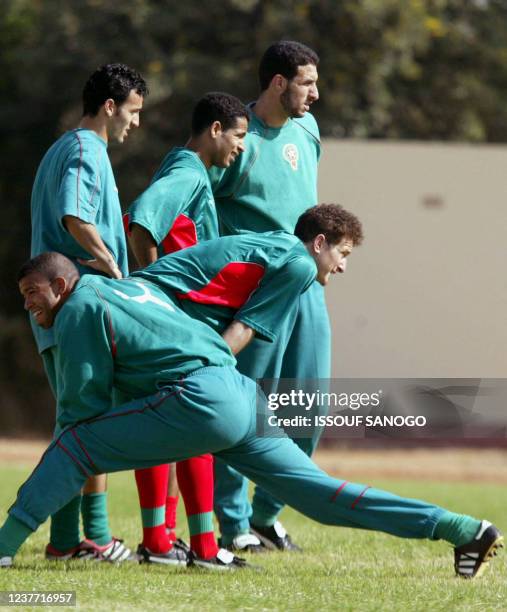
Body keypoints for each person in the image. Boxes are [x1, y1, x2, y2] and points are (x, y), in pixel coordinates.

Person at [0, 252, 503, 582]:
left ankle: (4, 547)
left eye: (32, 294)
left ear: (62, 285)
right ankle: (460, 528)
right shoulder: (122, 287)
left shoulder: (78, 307)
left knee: (74, 443)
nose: (29, 306)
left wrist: (62, 529)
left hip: (200, 401)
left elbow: (79, 416)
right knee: (322, 498)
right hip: (239, 392)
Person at [209, 40, 329, 552]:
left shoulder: (309, 130)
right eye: (307, 82)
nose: (315, 94)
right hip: (254, 292)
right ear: (278, 83)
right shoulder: (238, 138)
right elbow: (207, 210)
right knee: (246, 405)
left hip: (305, 285)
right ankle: (233, 523)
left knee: (308, 405)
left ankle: (267, 515)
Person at [29, 63, 148, 562]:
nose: (135, 123)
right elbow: (75, 215)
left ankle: (75, 538)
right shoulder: (83, 149)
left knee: (81, 421)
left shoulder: (65, 146)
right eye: (134, 112)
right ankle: (81, 539)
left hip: (66, 309)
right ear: (109, 107)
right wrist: (112, 268)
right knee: (85, 423)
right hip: (77, 307)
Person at [124, 92, 249, 565]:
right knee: (199, 426)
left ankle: (161, 541)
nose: (240, 147)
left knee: (163, 427)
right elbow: (141, 222)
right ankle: (204, 547)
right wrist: (158, 297)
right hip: (181, 323)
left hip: (174, 321)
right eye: (238, 136)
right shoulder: (187, 171)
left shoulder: (182, 167)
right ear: (215, 129)